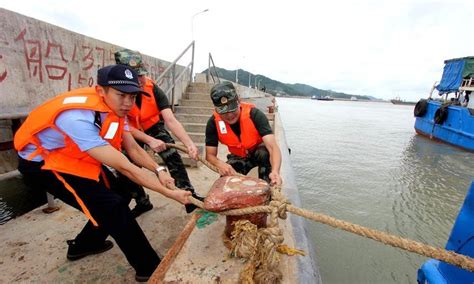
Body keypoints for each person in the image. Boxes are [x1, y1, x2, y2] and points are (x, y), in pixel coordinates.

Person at [14, 64, 191, 282]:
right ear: (101, 91)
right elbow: (125, 166)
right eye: (121, 95)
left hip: (72, 155)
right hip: (43, 164)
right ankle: (149, 268)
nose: (128, 103)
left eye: (133, 96)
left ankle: (85, 244)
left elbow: (133, 149)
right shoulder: (77, 117)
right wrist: (171, 194)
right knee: (111, 205)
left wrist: (159, 169)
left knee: (124, 193)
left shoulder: (116, 109)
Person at [114, 49, 203, 214]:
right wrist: (148, 140)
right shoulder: (114, 94)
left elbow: (170, 119)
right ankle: (142, 201)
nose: (140, 80)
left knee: (171, 154)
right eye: (135, 76)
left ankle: (189, 196)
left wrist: (189, 143)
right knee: (127, 167)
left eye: (141, 74)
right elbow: (122, 126)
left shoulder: (151, 87)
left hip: (151, 125)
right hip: (129, 131)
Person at [204, 81, 282, 185]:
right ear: (216, 109)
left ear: (238, 101)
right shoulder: (213, 123)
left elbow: (273, 147)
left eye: (232, 109)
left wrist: (275, 171)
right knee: (226, 180)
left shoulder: (255, 115)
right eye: (223, 111)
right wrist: (220, 164)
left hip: (258, 153)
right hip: (238, 156)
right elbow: (210, 155)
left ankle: (267, 185)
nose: (229, 115)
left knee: (265, 153)